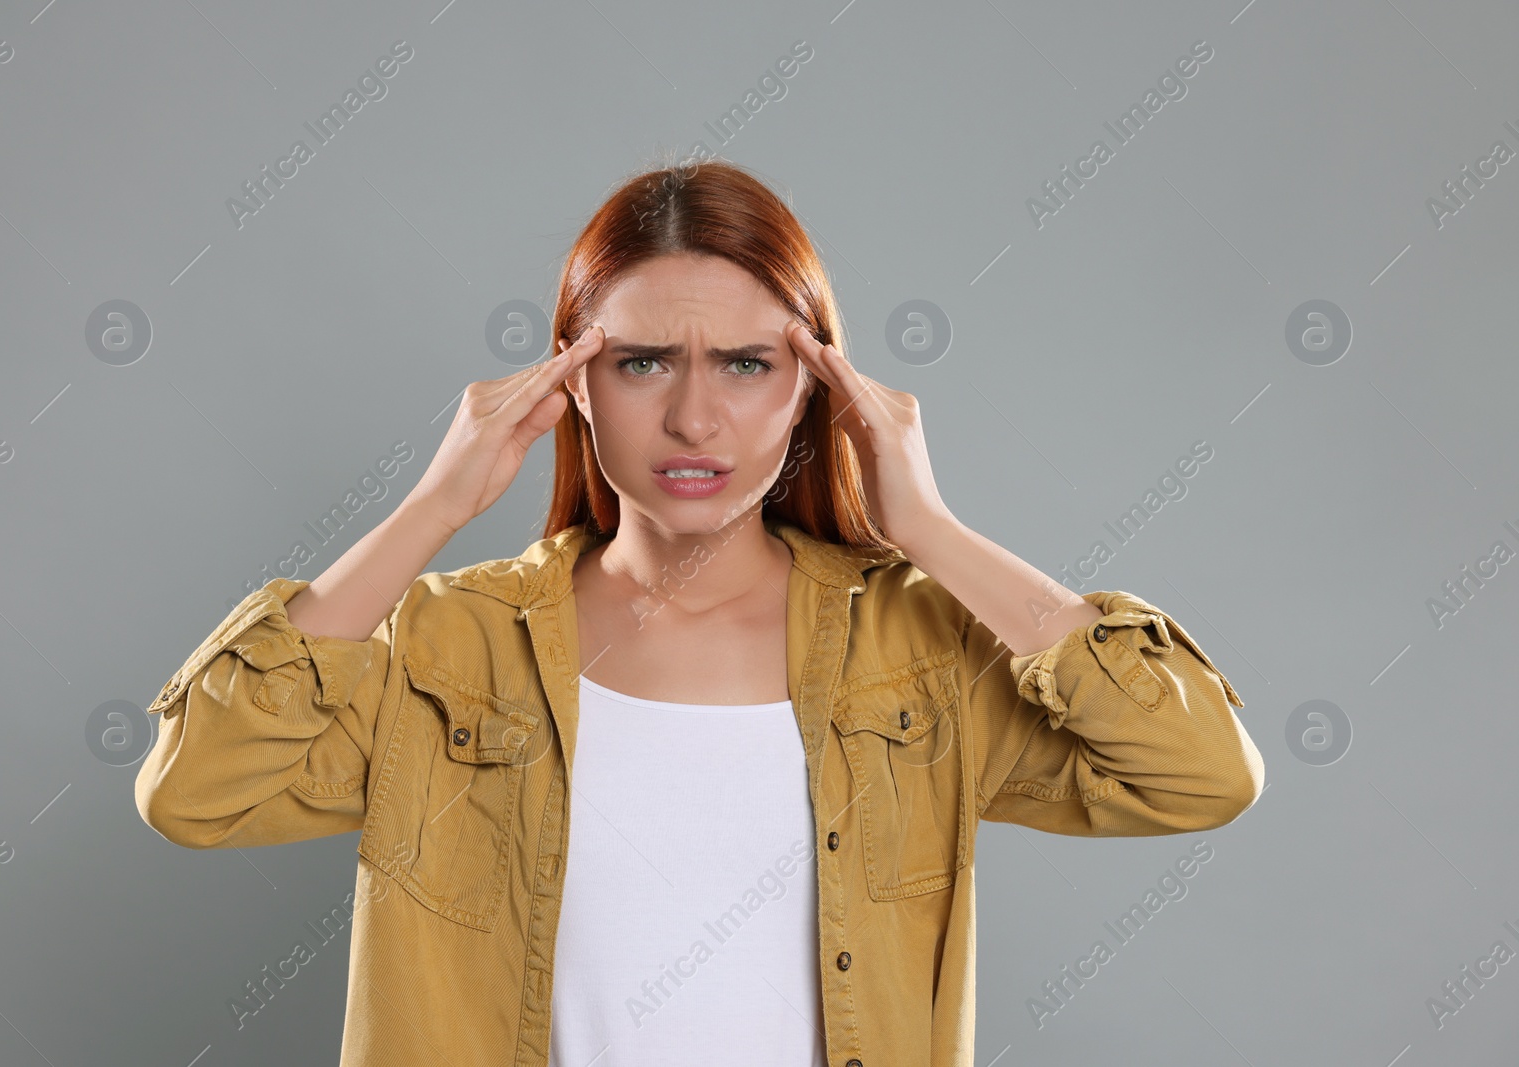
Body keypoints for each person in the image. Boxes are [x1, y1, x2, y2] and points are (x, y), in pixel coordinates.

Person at [134, 158, 1264, 1067]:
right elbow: (193, 791)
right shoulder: (444, 647)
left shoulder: (916, 649)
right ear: (572, 382)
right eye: (638, 363)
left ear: (815, 384)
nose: (691, 416)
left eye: (742, 362)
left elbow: (1200, 768)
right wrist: (433, 507)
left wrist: (928, 528)